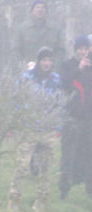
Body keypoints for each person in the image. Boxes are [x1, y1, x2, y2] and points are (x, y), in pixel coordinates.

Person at [8, 47, 62, 212]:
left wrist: (58, 126)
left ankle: (40, 203)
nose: (46, 63)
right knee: (22, 166)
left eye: (49, 60)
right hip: (29, 128)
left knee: (45, 169)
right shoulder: (27, 78)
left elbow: (61, 102)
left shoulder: (56, 80)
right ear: (38, 61)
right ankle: (14, 201)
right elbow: (17, 99)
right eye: (44, 60)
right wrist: (17, 121)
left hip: (49, 130)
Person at [58, 35, 92, 199]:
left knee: (89, 155)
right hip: (71, 118)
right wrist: (79, 68)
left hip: (89, 118)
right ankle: (64, 190)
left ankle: (89, 190)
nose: (83, 52)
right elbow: (62, 83)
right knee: (68, 155)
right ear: (75, 49)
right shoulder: (67, 65)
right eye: (80, 48)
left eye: (85, 49)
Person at [13, 1, 63, 69]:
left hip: (50, 71)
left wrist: (54, 64)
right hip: (28, 70)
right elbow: (16, 49)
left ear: (46, 11)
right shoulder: (22, 29)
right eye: (37, 7)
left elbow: (61, 49)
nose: (40, 10)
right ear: (32, 11)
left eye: (43, 7)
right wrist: (22, 64)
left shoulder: (55, 29)